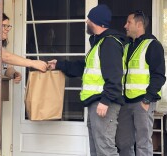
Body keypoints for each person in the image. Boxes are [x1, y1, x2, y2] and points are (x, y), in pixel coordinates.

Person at [48, 5, 126, 156]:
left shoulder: (109, 43)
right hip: (96, 102)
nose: (86, 21)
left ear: (96, 21)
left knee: (106, 149)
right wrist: (59, 64)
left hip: (104, 103)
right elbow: (83, 67)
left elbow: (115, 75)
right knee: (97, 149)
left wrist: (105, 100)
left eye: (88, 18)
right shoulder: (99, 43)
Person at [115, 10, 166, 156]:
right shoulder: (126, 47)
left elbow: (159, 76)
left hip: (143, 102)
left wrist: (147, 99)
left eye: (128, 22)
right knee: (123, 143)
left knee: (143, 143)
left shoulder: (153, 45)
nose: (125, 26)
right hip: (125, 102)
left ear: (139, 25)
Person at [0, 13, 47, 83]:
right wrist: (32, 63)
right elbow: (6, 57)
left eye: (8, 26)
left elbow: (7, 68)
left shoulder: (0, 44)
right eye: (4, 26)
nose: (7, 29)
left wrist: (14, 73)